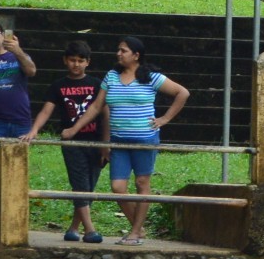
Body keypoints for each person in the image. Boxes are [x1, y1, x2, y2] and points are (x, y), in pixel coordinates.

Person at [66, 36, 188, 246]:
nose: (119, 54)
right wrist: (75, 128)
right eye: (118, 50)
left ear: (136, 55)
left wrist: (164, 119)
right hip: (119, 140)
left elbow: (182, 93)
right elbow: (96, 107)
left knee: (142, 183)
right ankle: (138, 228)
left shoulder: (150, 77)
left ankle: (134, 233)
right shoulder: (112, 77)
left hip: (145, 139)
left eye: (123, 51)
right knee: (117, 187)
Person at [25, 39, 106, 243]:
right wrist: (34, 130)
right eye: (72, 60)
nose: (76, 64)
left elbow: (105, 115)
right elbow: (46, 110)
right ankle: (90, 230)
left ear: (88, 62)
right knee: (79, 184)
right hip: (71, 143)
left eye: (80, 60)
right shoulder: (58, 86)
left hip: (96, 142)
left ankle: (73, 228)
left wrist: (107, 143)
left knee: (89, 187)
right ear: (65, 60)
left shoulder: (97, 85)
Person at [0, 27, 37, 140]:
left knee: (18, 157)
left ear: (3, 36)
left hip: (20, 120)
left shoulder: (19, 56)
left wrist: (17, 51)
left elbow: (31, 71)